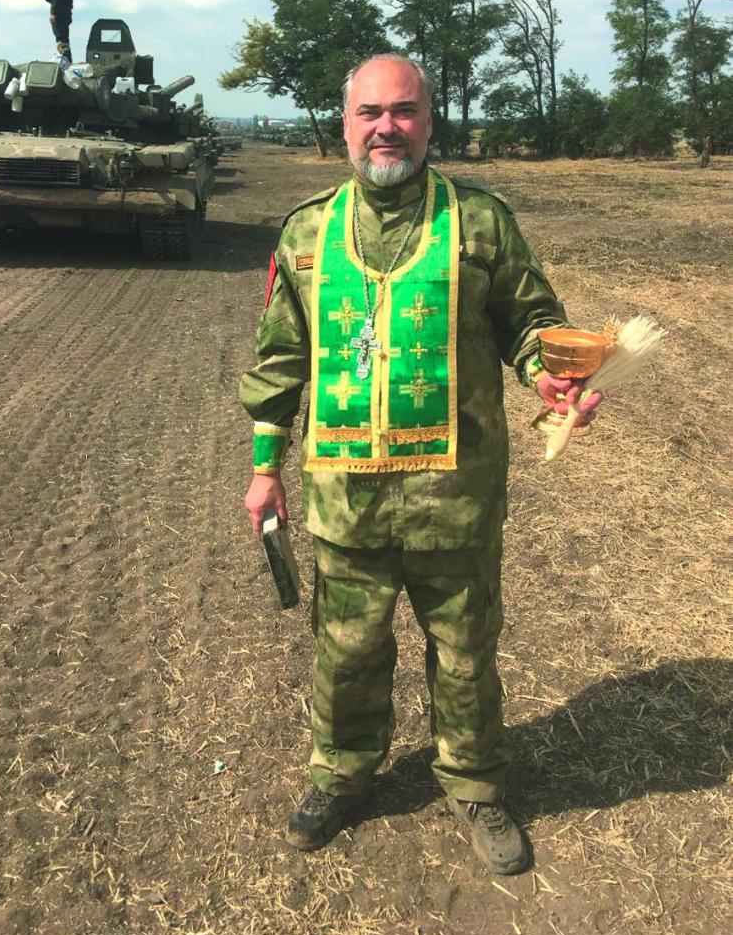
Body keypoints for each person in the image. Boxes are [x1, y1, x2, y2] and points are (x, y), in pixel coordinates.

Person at [239, 54, 601, 874]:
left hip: (455, 498)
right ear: (345, 125)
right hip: (346, 500)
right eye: (369, 113)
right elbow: (279, 360)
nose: (386, 128)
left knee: (467, 655)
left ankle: (474, 784)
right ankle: (341, 774)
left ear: (429, 122)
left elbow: (530, 321)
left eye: (403, 111)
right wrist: (265, 469)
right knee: (346, 651)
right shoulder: (306, 233)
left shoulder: (480, 222)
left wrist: (548, 371)